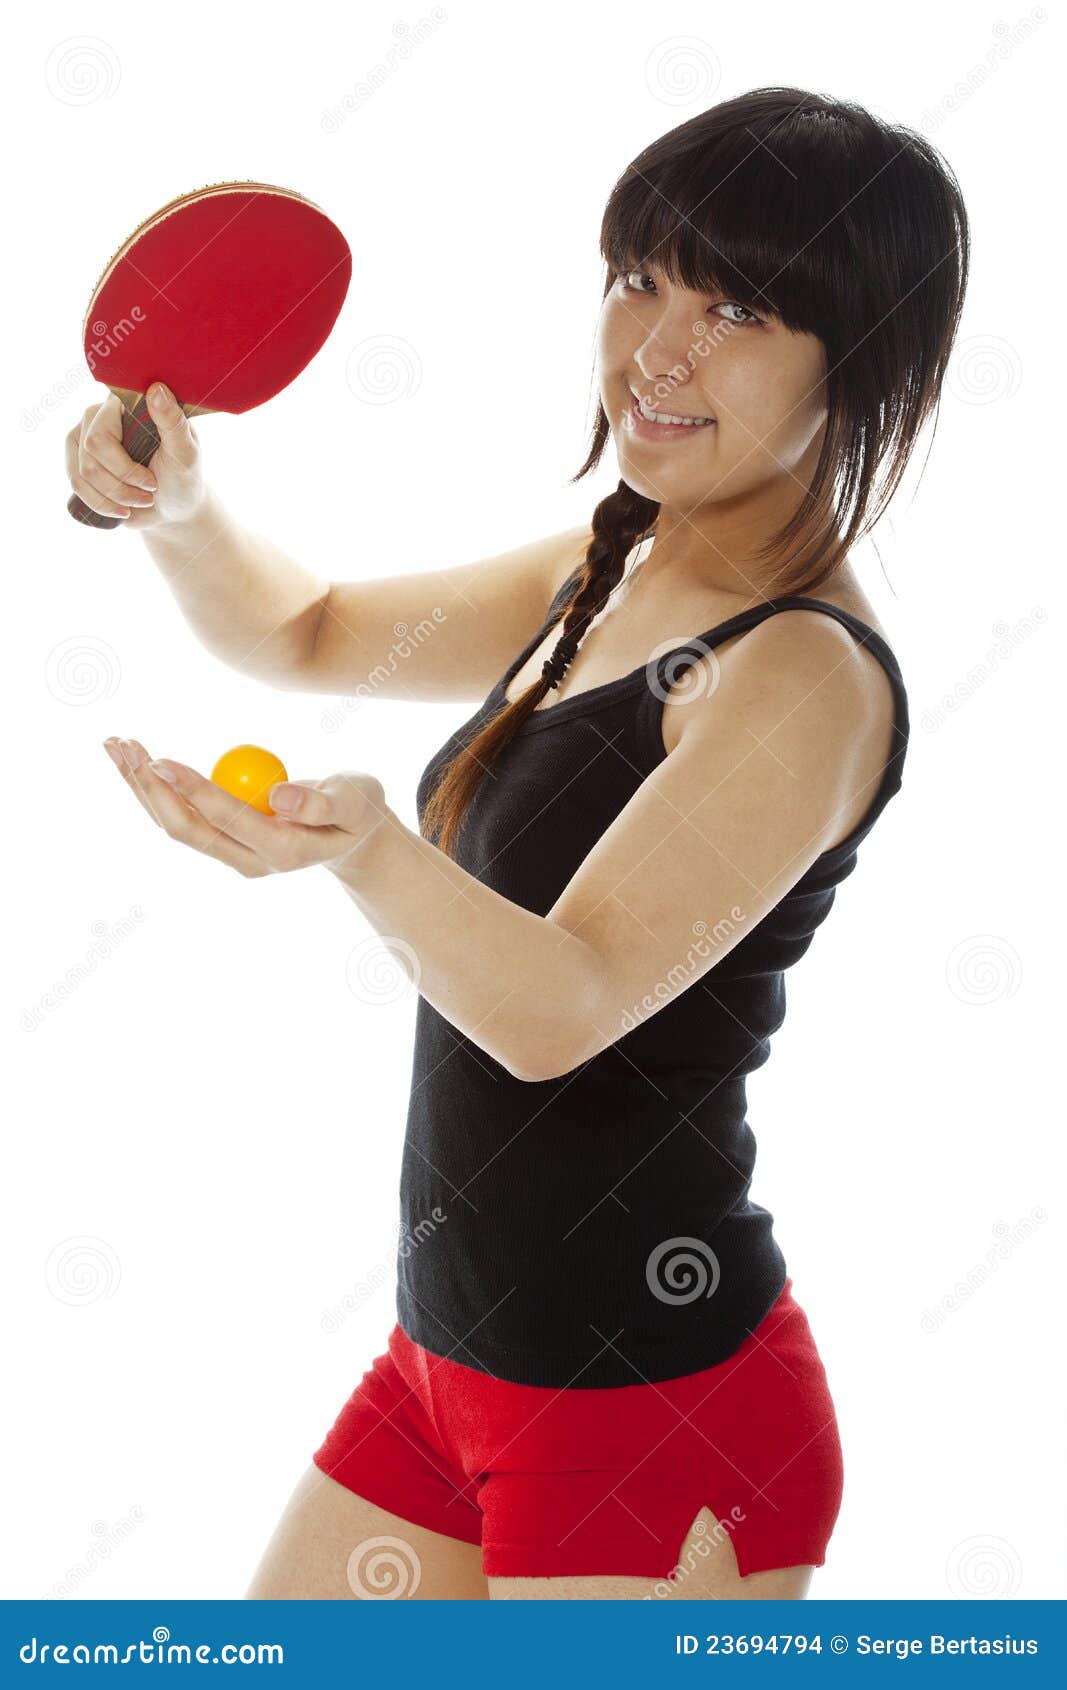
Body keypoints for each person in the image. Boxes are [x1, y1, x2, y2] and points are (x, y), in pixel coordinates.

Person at [66, 86, 969, 1600]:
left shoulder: (801, 670)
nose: (655, 354)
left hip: (653, 1411)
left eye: (735, 307)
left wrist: (363, 851)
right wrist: (184, 505)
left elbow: (560, 1007)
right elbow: (309, 631)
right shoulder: (619, 562)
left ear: (859, 361)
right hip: (447, 1368)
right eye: (638, 282)